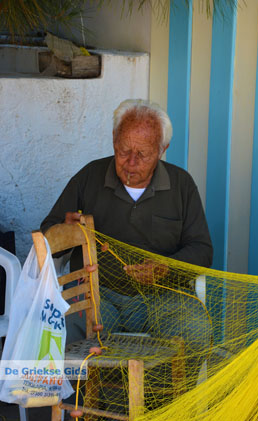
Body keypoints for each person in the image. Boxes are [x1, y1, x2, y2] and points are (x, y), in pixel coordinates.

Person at [41, 99, 213, 384]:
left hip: (165, 297)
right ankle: (102, 417)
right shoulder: (89, 177)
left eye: (143, 154)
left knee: (195, 332)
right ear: (113, 141)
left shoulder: (181, 185)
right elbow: (48, 232)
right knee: (64, 332)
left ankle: (159, 411)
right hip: (99, 295)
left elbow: (202, 250)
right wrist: (64, 230)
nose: (131, 163)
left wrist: (165, 267)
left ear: (162, 150)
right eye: (123, 151)